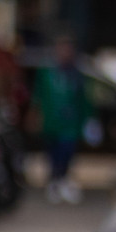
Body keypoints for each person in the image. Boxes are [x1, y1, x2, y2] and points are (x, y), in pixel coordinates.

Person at [34, 35, 89, 204]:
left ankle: (63, 181)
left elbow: (84, 99)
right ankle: (54, 182)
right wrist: (36, 114)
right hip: (52, 122)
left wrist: (89, 120)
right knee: (52, 154)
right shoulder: (47, 73)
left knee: (67, 152)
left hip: (70, 123)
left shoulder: (76, 75)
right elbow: (38, 96)